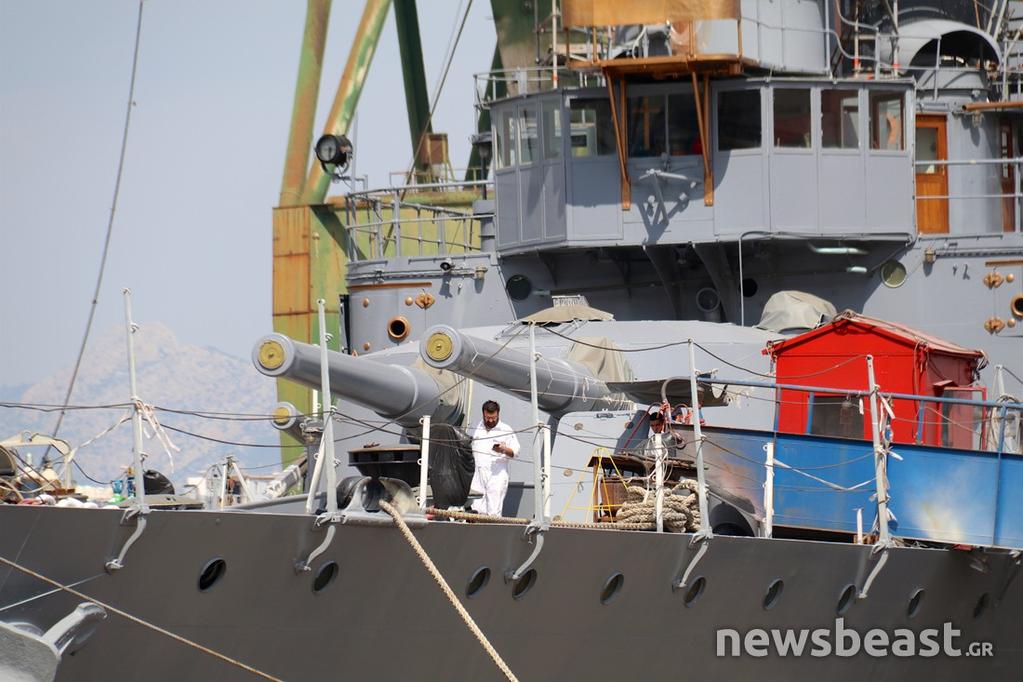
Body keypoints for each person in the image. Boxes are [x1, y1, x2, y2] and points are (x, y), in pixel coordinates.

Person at [469, 400, 520, 516]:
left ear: (498, 414)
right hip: (478, 473)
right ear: (483, 414)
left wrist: (504, 449)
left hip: (497, 474)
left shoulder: (506, 429)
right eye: (488, 418)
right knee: (475, 508)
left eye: (494, 417)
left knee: (494, 509)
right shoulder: (475, 427)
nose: (491, 420)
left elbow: (516, 452)